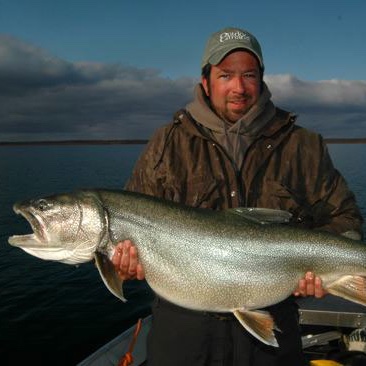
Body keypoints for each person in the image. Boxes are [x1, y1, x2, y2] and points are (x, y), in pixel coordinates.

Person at [112, 27, 364, 365]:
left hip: (274, 333)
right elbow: (132, 226)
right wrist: (123, 267)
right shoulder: (166, 144)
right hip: (184, 340)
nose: (238, 87)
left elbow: (345, 218)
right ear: (206, 81)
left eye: (248, 75)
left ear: (261, 80)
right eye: (225, 75)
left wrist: (319, 268)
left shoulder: (302, 145)